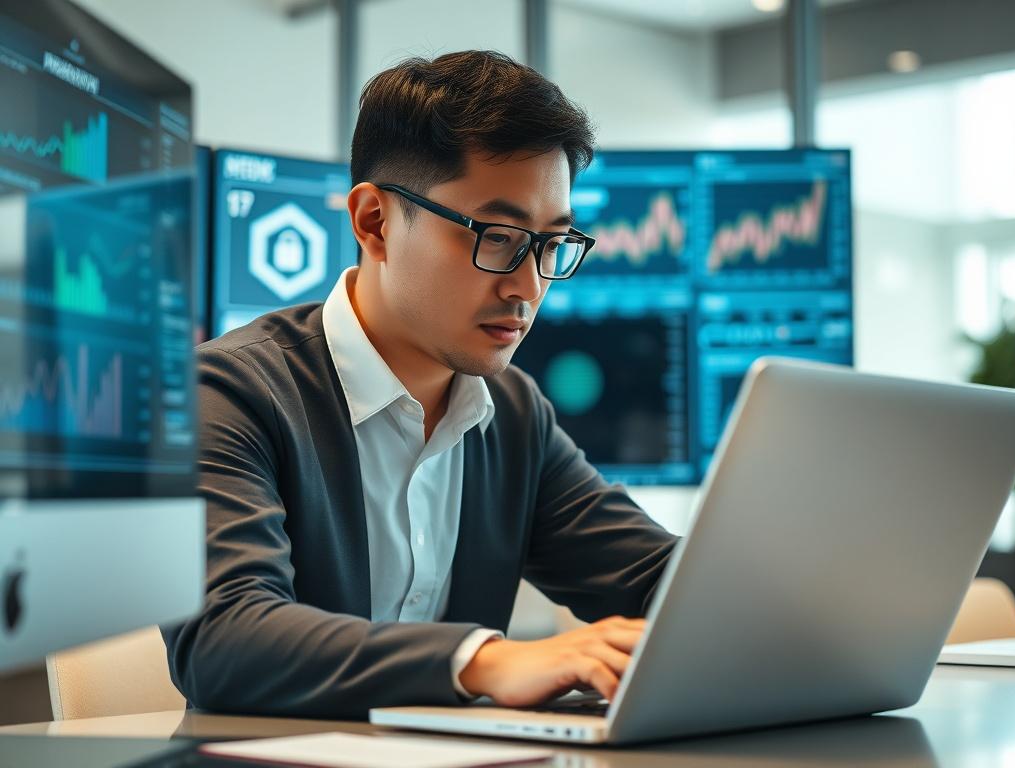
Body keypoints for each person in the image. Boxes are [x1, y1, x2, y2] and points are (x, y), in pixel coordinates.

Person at [163, 50, 678, 719]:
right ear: (373, 222)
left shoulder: (513, 413)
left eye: (551, 244)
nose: (527, 287)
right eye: (498, 237)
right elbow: (223, 639)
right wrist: (484, 662)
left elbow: (660, 582)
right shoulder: (226, 395)